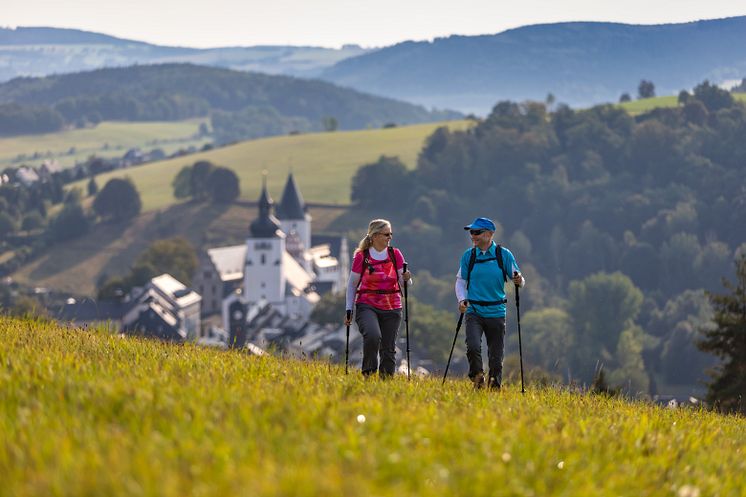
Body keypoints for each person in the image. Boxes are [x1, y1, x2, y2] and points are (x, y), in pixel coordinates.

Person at [454, 217, 525, 390]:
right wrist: (462, 299)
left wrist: (518, 280)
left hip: (496, 311)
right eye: (471, 232)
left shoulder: (503, 255)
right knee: (472, 347)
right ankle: (478, 380)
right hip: (474, 310)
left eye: (477, 232)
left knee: (495, 356)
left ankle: (494, 389)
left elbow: (520, 280)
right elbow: (460, 282)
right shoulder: (468, 256)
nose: (473, 236)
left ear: (489, 234)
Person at [344, 219, 412, 377]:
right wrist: (349, 309)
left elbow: (405, 284)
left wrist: (407, 278)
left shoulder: (395, 254)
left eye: (391, 234)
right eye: (386, 234)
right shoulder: (362, 257)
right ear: (374, 236)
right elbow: (352, 285)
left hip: (392, 306)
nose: (390, 237)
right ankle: (368, 372)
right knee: (373, 336)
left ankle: (386, 380)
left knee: (388, 347)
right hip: (367, 305)